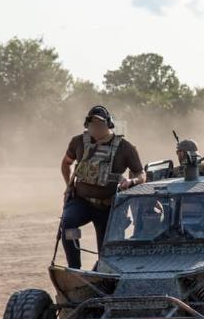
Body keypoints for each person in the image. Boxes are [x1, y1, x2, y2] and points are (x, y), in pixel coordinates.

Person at [60, 105, 145, 268]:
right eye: (93, 125)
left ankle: (104, 274)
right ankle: (74, 268)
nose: (96, 128)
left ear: (109, 125)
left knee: (106, 253)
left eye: (100, 125)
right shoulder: (78, 142)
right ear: (87, 125)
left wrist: (131, 182)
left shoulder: (125, 147)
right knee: (69, 223)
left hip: (109, 207)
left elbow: (141, 174)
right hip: (82, 201)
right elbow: (66, 163)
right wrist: (68, 186)